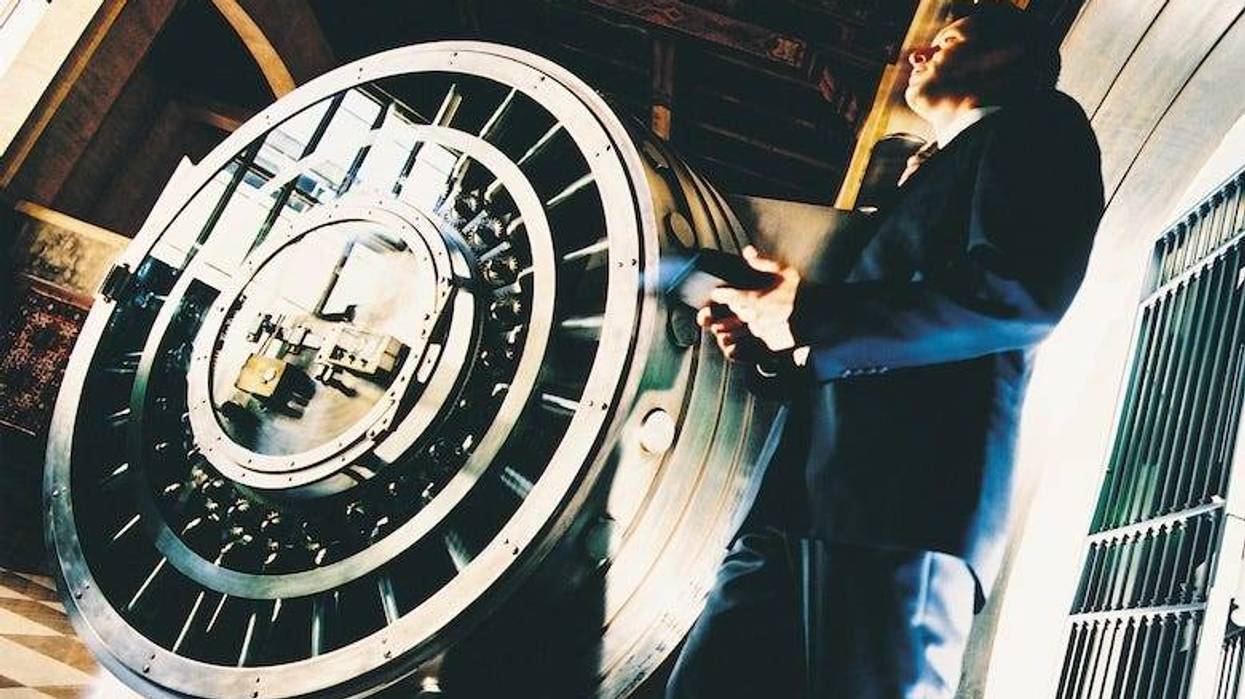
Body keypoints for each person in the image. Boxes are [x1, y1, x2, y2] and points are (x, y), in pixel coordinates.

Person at [665, 3, 1104, 698]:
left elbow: (1018, 291)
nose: (915, 53)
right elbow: (848, 338)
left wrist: (807, 315)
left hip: (904, 513)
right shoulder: (924, 179)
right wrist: (777, 343)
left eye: (947, 39)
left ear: (1012, 59)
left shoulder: (1041, 123)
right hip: (789, 513)